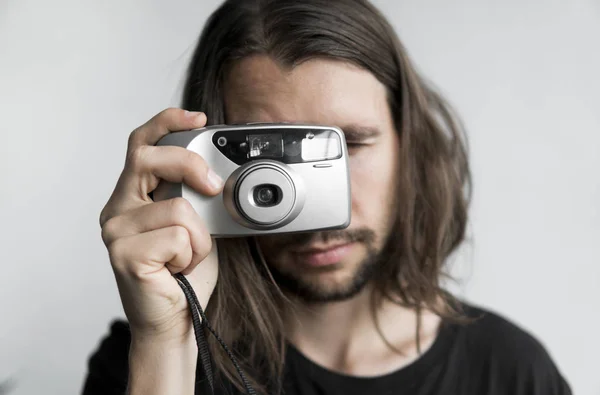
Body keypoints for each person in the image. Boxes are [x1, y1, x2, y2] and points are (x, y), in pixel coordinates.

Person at [84, 0, 572, 394]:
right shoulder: (145, 357)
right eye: (264, 158)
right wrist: (168, 343)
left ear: (410, 144)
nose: (312, 212)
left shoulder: (512, 372)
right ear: (202, 158)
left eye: (350, 144)